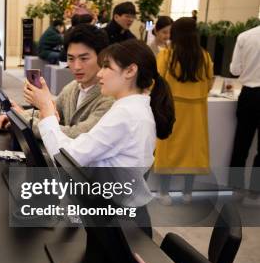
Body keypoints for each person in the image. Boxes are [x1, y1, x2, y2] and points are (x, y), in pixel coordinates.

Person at [24, 39, 174, 169]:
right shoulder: (131, 108)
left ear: (130, 71)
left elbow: (67, 158)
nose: (99, 73)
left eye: (107, 67)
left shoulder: (126, 114)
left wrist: (46, 108)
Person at [0, 24, 114, 139]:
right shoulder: (73, 87)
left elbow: (75, 135)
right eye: (71, 59)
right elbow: (53, 112)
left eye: (84, 58)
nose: (76, 66)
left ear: (102, 57)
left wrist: (22, 117)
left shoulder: (110, 98)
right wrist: (14, 115)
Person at [154, 17, 213, 204]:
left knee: (168, 149)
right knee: (193, 151)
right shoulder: (204, 56)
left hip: (171, 107)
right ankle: (188, 193)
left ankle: (164, 193)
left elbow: (157, 81)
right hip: (196, 111)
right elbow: (210, 83)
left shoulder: (166, 55)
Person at [229, 24, 260, 206]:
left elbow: (235, 70)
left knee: (241, 144)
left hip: (249, 95)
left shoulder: (245, 36)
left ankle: (236, 188)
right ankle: (255, 190)